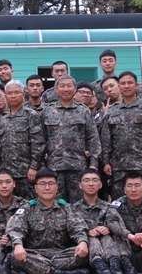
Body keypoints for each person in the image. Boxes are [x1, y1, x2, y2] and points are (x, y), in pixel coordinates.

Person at [6, 168, 90, 274]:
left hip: (61, 254)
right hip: (35, 254)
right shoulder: (27, 209)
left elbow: (78, 227)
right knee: (15, 256)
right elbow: (15, 228)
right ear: (36, 188)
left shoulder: (66, 208)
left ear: (57, 187)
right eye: (42, 184)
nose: (47, 188)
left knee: (84, 253)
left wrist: (82, 242)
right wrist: (18, 245)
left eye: (51, 184)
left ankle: (36, 273)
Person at [37, 75, 101, 204]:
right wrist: (42, 165)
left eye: (69, 86)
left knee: (80, 205)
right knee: (56, 205)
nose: (66, 89)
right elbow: (40, 141)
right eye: (62, 86)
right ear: (56, 89)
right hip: (54, 168)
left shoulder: (84, 111)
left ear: (75, 88)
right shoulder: (47, 112)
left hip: (78, 167)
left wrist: (94, 164)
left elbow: (93, 138)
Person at [100, 71, 142, 199]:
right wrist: (106, 162)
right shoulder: (112, 110)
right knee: (119, 204)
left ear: (137, 86)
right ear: (119, 86)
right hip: (118, 167)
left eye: (130, 83)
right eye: (123, 83)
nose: (126, 86)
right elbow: (106, 139)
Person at [73, 168, 134, 274]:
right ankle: (105, 270)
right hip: (88, 252)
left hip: (110, 248)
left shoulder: (109, 207)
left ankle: (116, 269)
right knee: (92, 238)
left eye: (95, 180)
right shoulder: (73, 209)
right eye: (86, 180)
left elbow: (117, 224)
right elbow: (72, 229)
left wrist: (108, 229)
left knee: (110, 235)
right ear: (80, 185)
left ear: (100, 184)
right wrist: (87, 232)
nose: (91, 183)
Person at [0, 80, 44, 200]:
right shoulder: (2, 119)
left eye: (17, 92)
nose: (13, 96)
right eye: (10, 93)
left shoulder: (31, 115)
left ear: (23, 95)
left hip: (26, 173)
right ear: (5, 96)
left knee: (27, 206)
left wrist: (34, 167)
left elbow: (38, 143)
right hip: (6, 174)